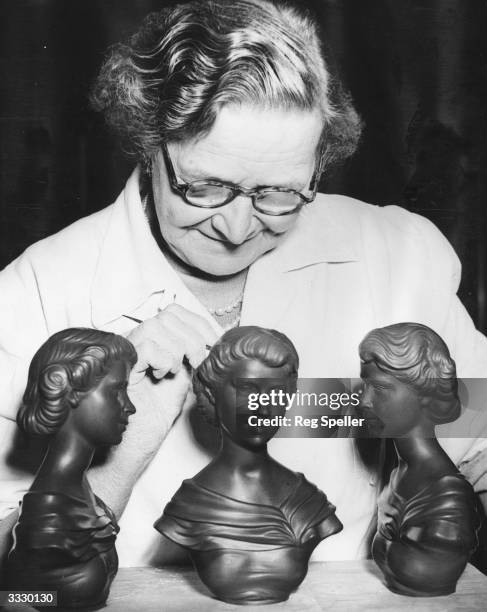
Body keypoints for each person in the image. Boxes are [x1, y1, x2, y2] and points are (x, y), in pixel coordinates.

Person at [0, 0, 486, 567]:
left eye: (279, 194)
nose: (236, 229)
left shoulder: (395, 254)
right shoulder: (32, 291)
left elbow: (477, 438)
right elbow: (17, 590)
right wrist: (116, 451)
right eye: (204, 187)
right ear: (149, 144)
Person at [155, 326, 342, 604]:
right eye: (247, 389)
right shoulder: (190, 506)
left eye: (276, 392)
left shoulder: (309, 502)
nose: (263, 407)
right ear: (212, 392)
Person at [5, 328, 137, 608]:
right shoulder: (47, 511)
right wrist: (11, 600)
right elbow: (15, 595)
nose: (130, 407)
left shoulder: (80, 494)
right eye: (118, 390)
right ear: (65, 387)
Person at [359, 323, 480, 596]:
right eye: (364, 385)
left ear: (425, 393)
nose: (364, 401)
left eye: (379, 388)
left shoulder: (449, 498)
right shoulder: (398, 475)